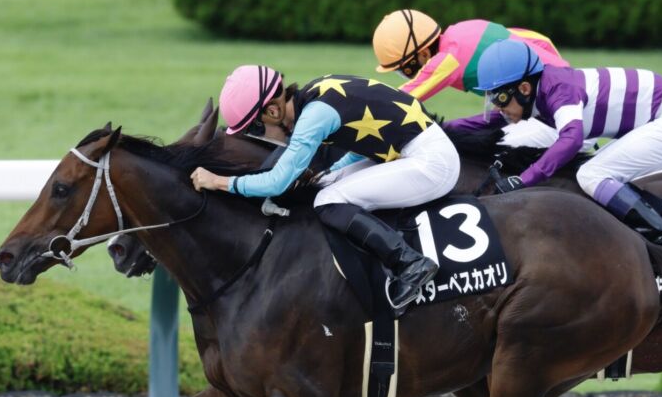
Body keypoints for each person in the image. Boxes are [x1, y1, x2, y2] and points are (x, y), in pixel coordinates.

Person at [191, 65, 460, 307]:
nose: (257, 137)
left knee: (327, 201)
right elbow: (365, 137)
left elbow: (277, 182)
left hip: (431, 163)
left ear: (272, 111)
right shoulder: (315, 92)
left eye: (255, 129)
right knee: (326, 184)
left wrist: (219, 181)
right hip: (411, 149)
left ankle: (409, 264)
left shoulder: (314, 117)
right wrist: (333, 172)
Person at [448, 39, 662, 250]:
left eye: (500, 98)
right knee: (592, 172)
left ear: (524, 89)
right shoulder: (537, 92)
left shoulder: (558, 90)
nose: (497, 106)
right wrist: (439, 128)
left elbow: (572, 138)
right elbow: (487, 122)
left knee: (592, 174)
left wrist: (523, 179)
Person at [371, 9, 568, 147]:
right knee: (451, 129)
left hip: (549, 109)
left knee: (477, 144)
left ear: (423, 54)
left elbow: (398, 100)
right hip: (562, 87)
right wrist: (563, 70)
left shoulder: (447, 59)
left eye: (404, 70)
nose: (407, 75)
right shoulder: (464, 29)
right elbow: (541, 40)